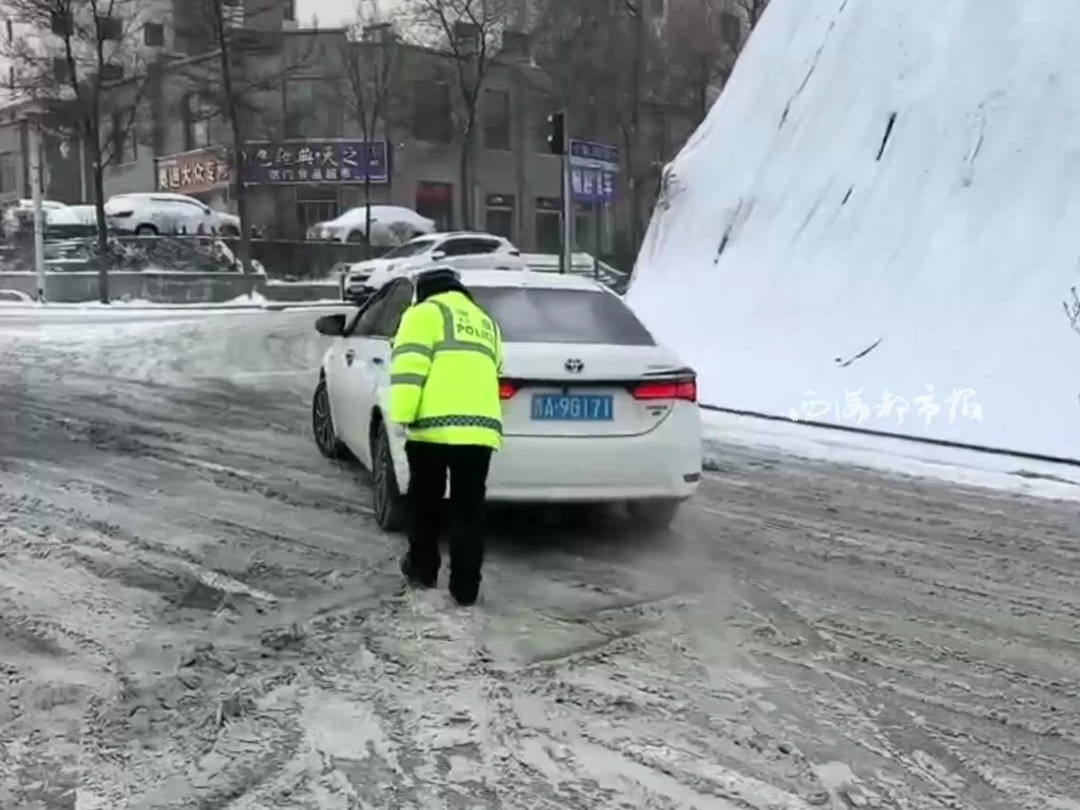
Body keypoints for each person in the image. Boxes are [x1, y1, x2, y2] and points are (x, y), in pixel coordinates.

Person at [388, 267, 504, 606]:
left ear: (425, 291)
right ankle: (466, 589)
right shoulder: (485, 322)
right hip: (479, 431)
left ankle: (423, 570)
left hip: (432, 429)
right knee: (469, 511)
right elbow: (496, 367)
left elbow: (409, 369)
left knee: (426, 503)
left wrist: (402, 417)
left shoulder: (423, 313)